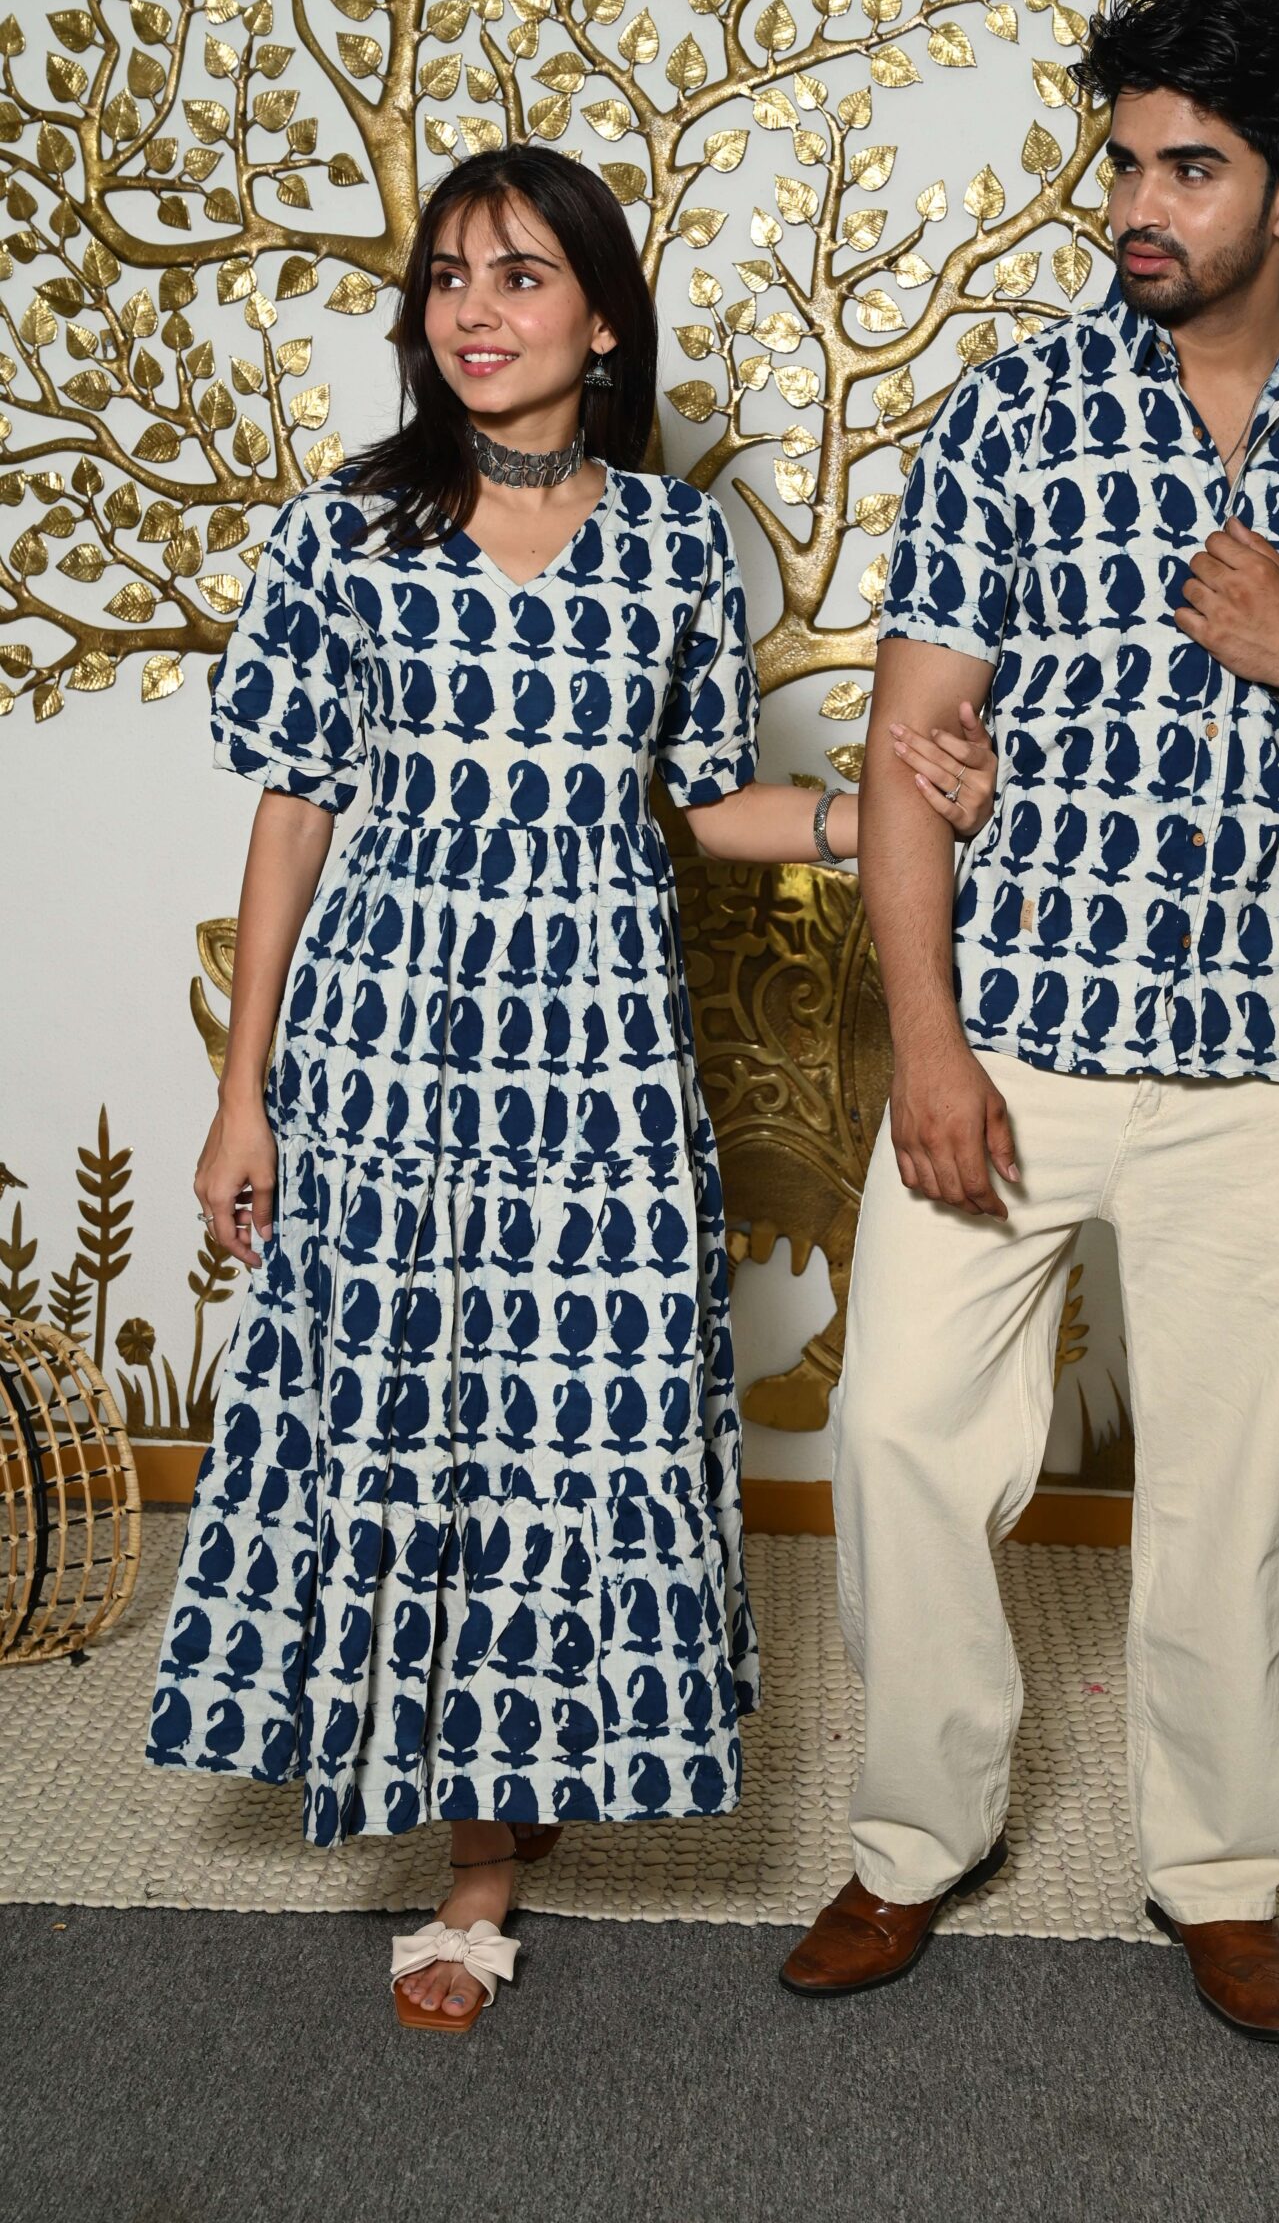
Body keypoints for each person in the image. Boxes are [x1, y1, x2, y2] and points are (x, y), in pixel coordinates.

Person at [144, 145, 998, 2033]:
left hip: (599, 1056)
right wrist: (242, 1090)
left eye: (520, 276)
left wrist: (875, 816)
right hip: (383, 1046)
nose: (474, 310)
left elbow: (714, 804)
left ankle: (522, 1787)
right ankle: (468, 1865)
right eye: (449, 277)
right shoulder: (344, 533)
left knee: (570, 1428)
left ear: (602, 320)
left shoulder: (679, 545)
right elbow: (293, 815)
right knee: (411, 1416)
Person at [781, 0, 1279, 2042]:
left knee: (1230, 1485)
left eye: (1191, 167)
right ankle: (919, 1833)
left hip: (1264, 1056)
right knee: (903, 1434)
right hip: (1013, 1028)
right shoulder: (1011, 413)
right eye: (1125, 162)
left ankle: (1220, 1871)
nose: (1139, 204)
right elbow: (911, 745)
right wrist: (928, 1045)